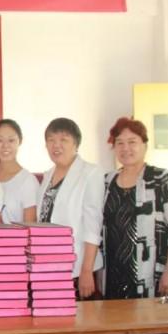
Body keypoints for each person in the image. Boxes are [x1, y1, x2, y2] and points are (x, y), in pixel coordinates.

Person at [101, 117, 168, 299]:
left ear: (145, 145)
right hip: (112, 275)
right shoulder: (107, 181)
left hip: (151, 274)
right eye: (120, 143)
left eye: (132, 142)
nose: (126, 148)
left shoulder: (161, 178)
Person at [37, 118, 105, 299]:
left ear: (76, 144)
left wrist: (86, 270)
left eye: (63, 140)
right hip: (50, 265)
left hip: (78, 267)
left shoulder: (90, 173)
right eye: (51, 140)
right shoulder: (48, 175)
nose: (56, 145)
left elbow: (93, 225)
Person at [0, 119, 38, 223]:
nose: (5, 146)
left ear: (20, 142)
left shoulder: (28, 181)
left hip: (16, 239)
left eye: (11, 140)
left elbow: (30, 228)